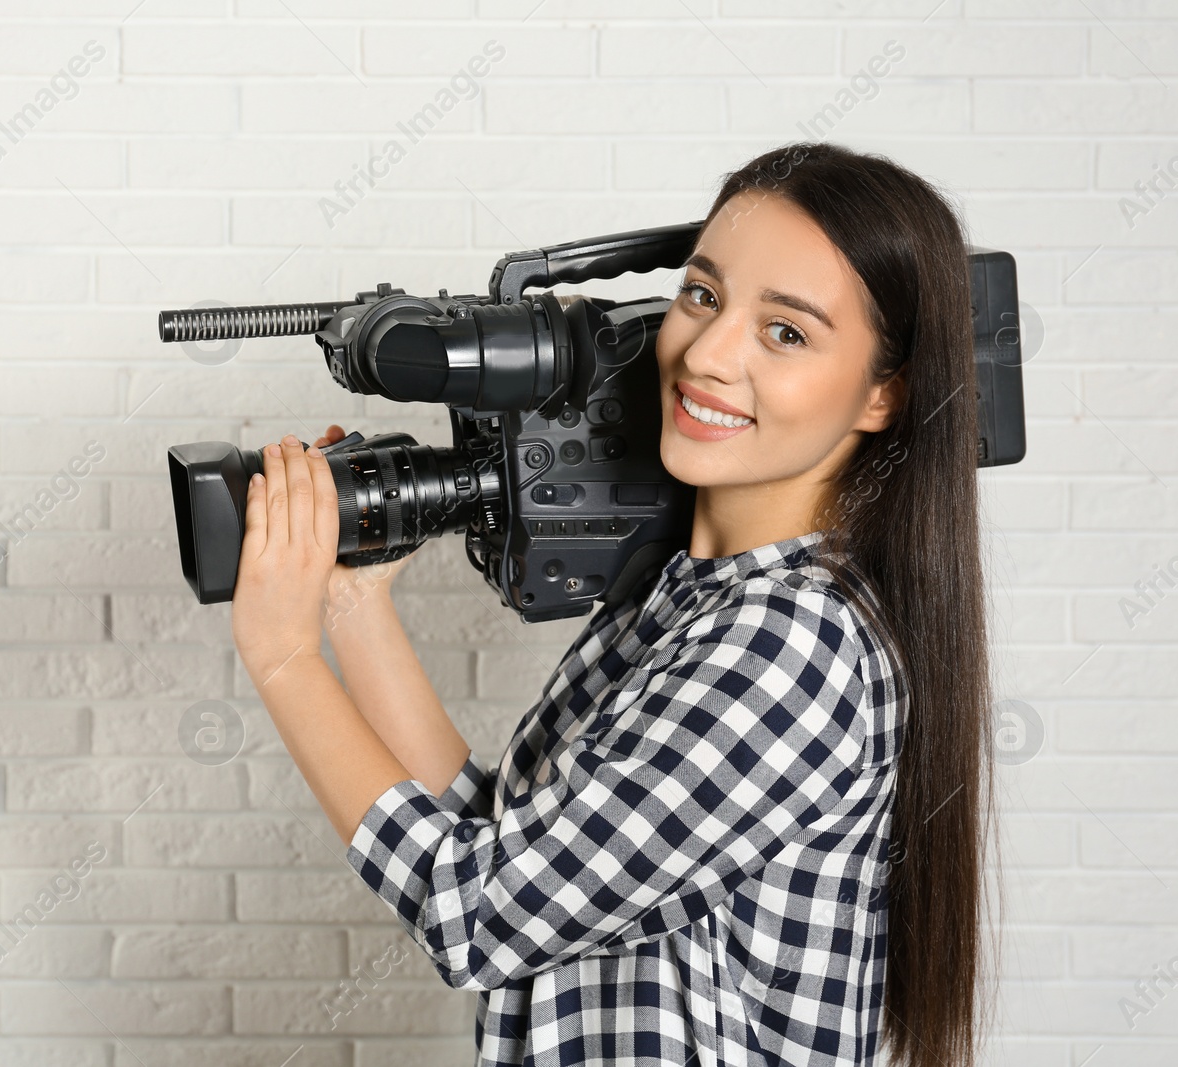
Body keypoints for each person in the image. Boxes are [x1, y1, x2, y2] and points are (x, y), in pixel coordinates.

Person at [229, 140, 999, 1067]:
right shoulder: (685, 600)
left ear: (884, 394)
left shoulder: (793, 645)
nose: (708, 354)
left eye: (785, 332)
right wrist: (355, 610)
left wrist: (284, 655)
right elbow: (503, 844)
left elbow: (476, 914)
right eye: (704, 295)